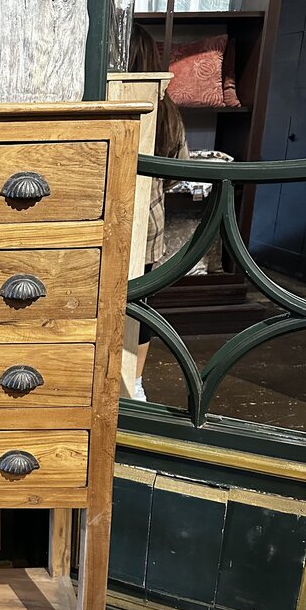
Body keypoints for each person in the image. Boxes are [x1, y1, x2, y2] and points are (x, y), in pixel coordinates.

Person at [128, 25, 189, 401]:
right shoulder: (167, 113)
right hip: (150, 226)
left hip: (116, 225)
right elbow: (180, 170)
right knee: (140, 310)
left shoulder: (107, 103)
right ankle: (134, 383)